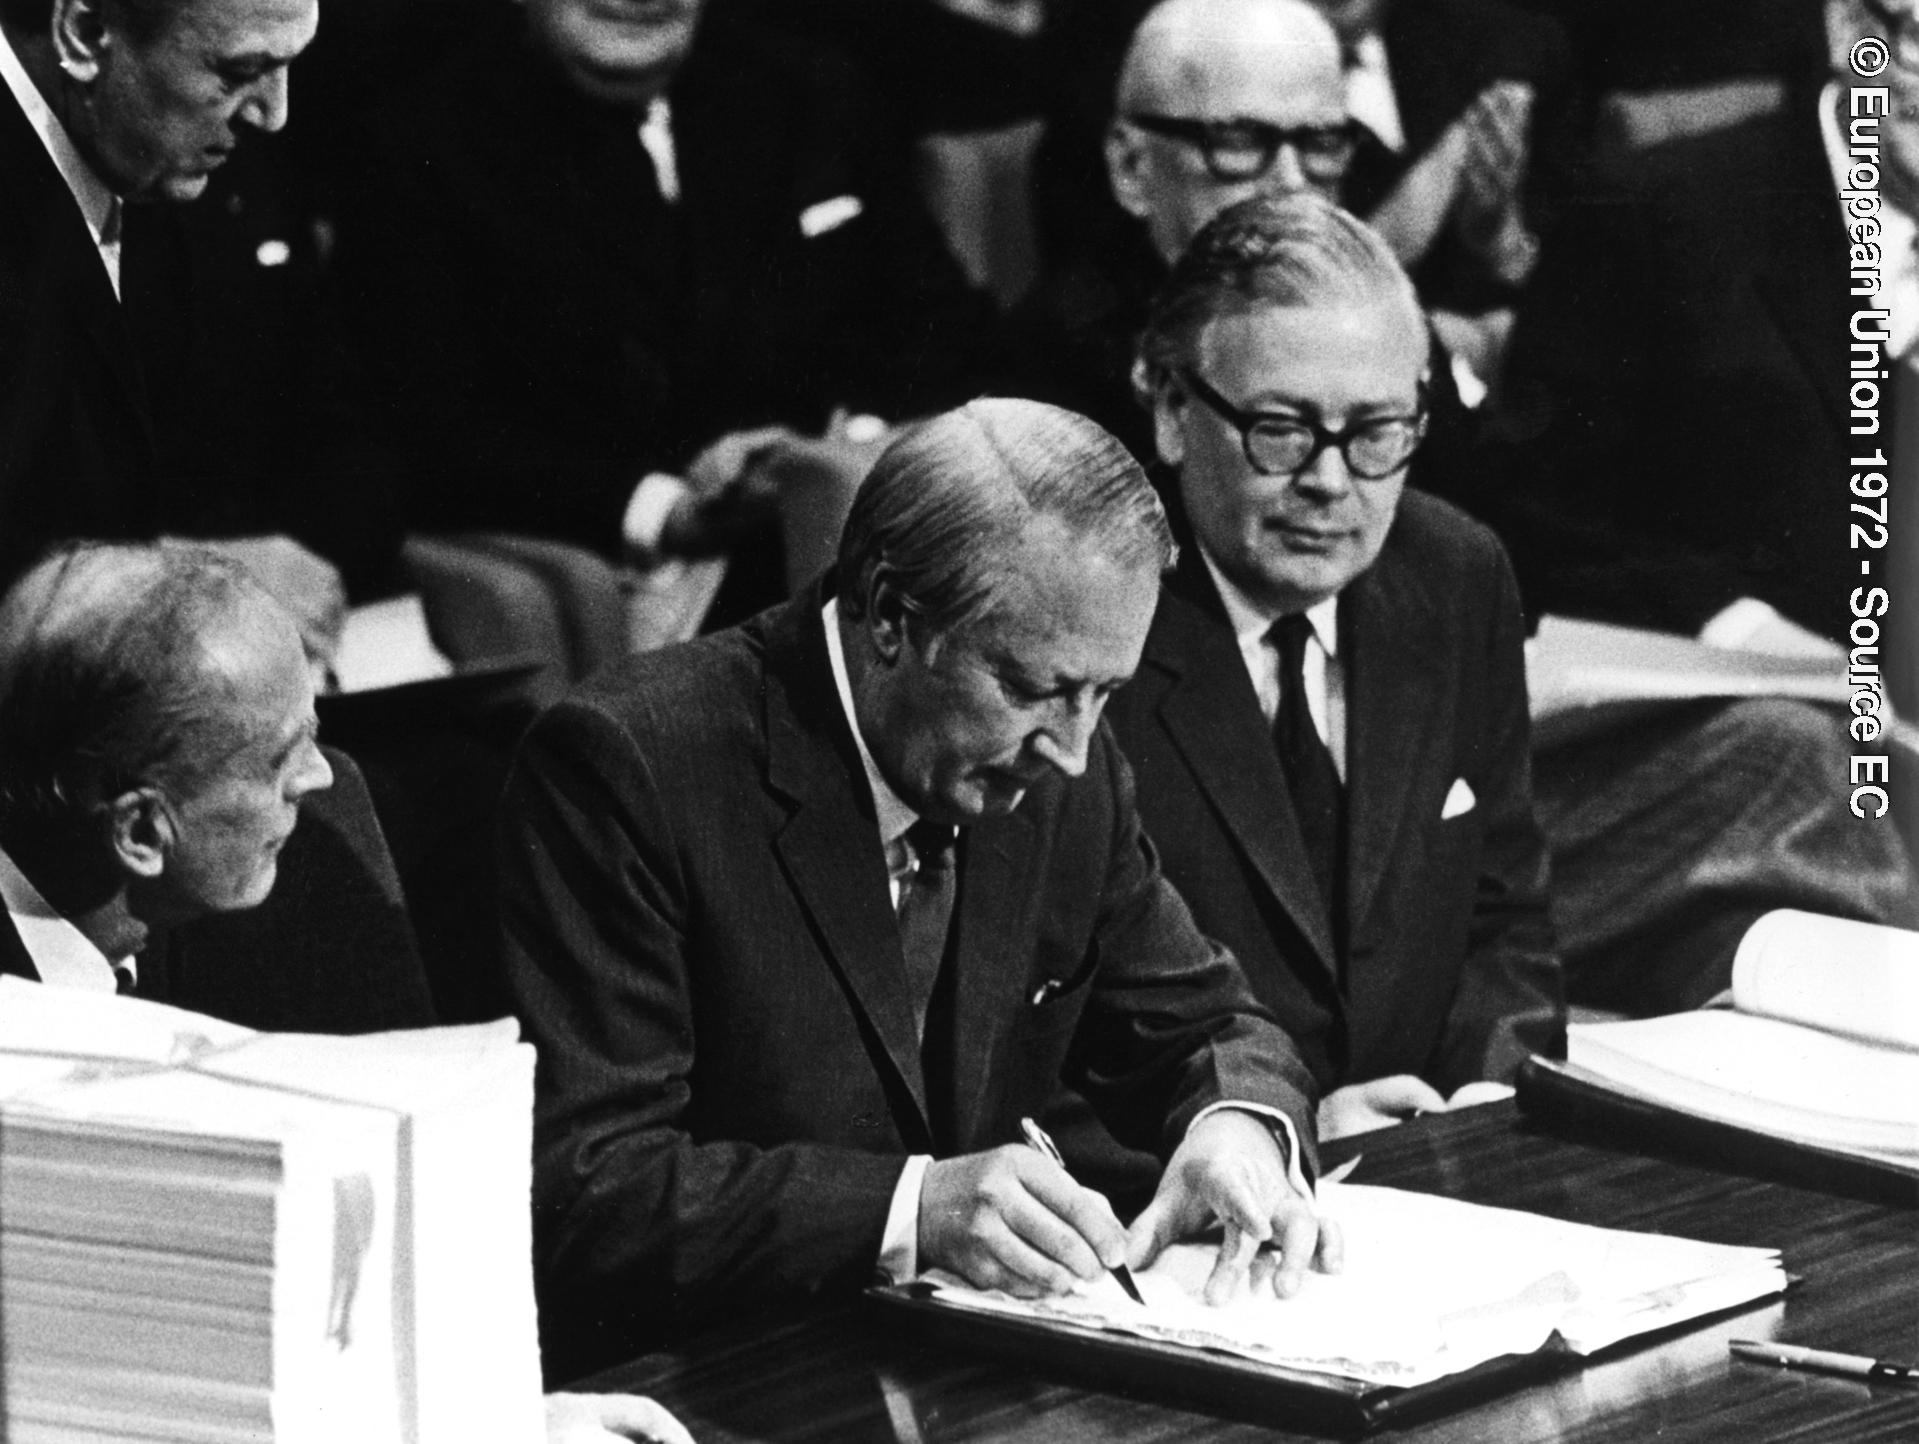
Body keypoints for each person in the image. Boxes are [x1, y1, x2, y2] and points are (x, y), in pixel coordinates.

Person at [500, 398, 1339, 1381]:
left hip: (965, 1373)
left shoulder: (1060, 764)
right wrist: (910, 1207)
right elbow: (589, 1189)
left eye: (1100, 694)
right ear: (892, 616)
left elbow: (1204, 1021)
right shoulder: (630, 765)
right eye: (1031, 689)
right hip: (725, 1382)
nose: (1071, 749)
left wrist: (1230, 1127)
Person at [0, 542, 694, 1444]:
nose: (320, 779)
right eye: (280, 757)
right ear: (141, 831)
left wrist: (501, 1422)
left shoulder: (303, 890)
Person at [1461, 0, 1919, 1003]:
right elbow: (1524, 509)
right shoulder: (1657, 208)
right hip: (1715, 732)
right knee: (1808, 759)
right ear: (1851, 29)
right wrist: (1739, 626)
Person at [1102, 192, 1559, 1148]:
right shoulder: (1097, 623)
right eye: (1279, 429)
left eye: (1377, 432)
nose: (1329, 479)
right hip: (1192, 1196)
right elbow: (1048, 1021)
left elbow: (1505, 915)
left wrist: (1482, 1103)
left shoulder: (1458, 574)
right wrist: (1289, 1128)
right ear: (1173, 412)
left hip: (1441, 1178)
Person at [336, 0, 1005, 632]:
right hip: (622, 566)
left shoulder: (806, 87)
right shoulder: (421, 140)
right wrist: (665, 509)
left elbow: (943, 320)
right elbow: (431, 425)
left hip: (849, 517)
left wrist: (834, 447)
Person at [0, 0, 361, 666]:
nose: (273, 116)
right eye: (241, 71)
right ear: (82, 34)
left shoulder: (132, 153)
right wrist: (181, 578)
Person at [1011, 0, 1353, 463]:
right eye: (1239, 141)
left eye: (1322, 144)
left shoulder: (1371, 312)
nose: (1293, 182)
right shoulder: (1058, 361)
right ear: (1132, 166)